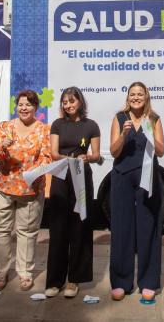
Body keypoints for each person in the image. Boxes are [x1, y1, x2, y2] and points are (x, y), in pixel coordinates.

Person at [0, 90, 51, 291]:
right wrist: (2, 146)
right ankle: (1, 273)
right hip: (3, 187)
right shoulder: (5, 127)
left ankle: (25, 273)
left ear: (36, 107)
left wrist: (36, 171)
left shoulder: (44, 130)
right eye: (21, 104)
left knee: (28, 232)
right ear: (16, 107)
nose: (24, 108)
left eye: (28, 105)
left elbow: (47, 157)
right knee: (0, 231)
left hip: (30, 190)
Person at [109, 81, 164, 302]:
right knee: (121, 227)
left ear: (146, 97)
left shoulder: (154, 119)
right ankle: (121, 281)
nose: (136, 97)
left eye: (140, 94)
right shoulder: (119, 118)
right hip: (122, 177)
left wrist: (150, 135)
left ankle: (148, 282)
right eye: (132, 94)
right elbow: (114, 152)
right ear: (128, 98)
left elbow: (161, 151)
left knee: (148, 226)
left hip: (147, 177)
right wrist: (123, 135)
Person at [45, 86, 101, 298]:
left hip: (82, 178)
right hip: (60, 178)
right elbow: (53, 153)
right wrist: (68, 159)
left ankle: (74, 280)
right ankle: (54, 281)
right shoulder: (57, 124)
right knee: (58, 229)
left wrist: (87, 157)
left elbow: (96, 155)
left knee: (80, 227)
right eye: (65, 102)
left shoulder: (91, 125)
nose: (68, 105)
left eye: (71, 101)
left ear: (80, 102)